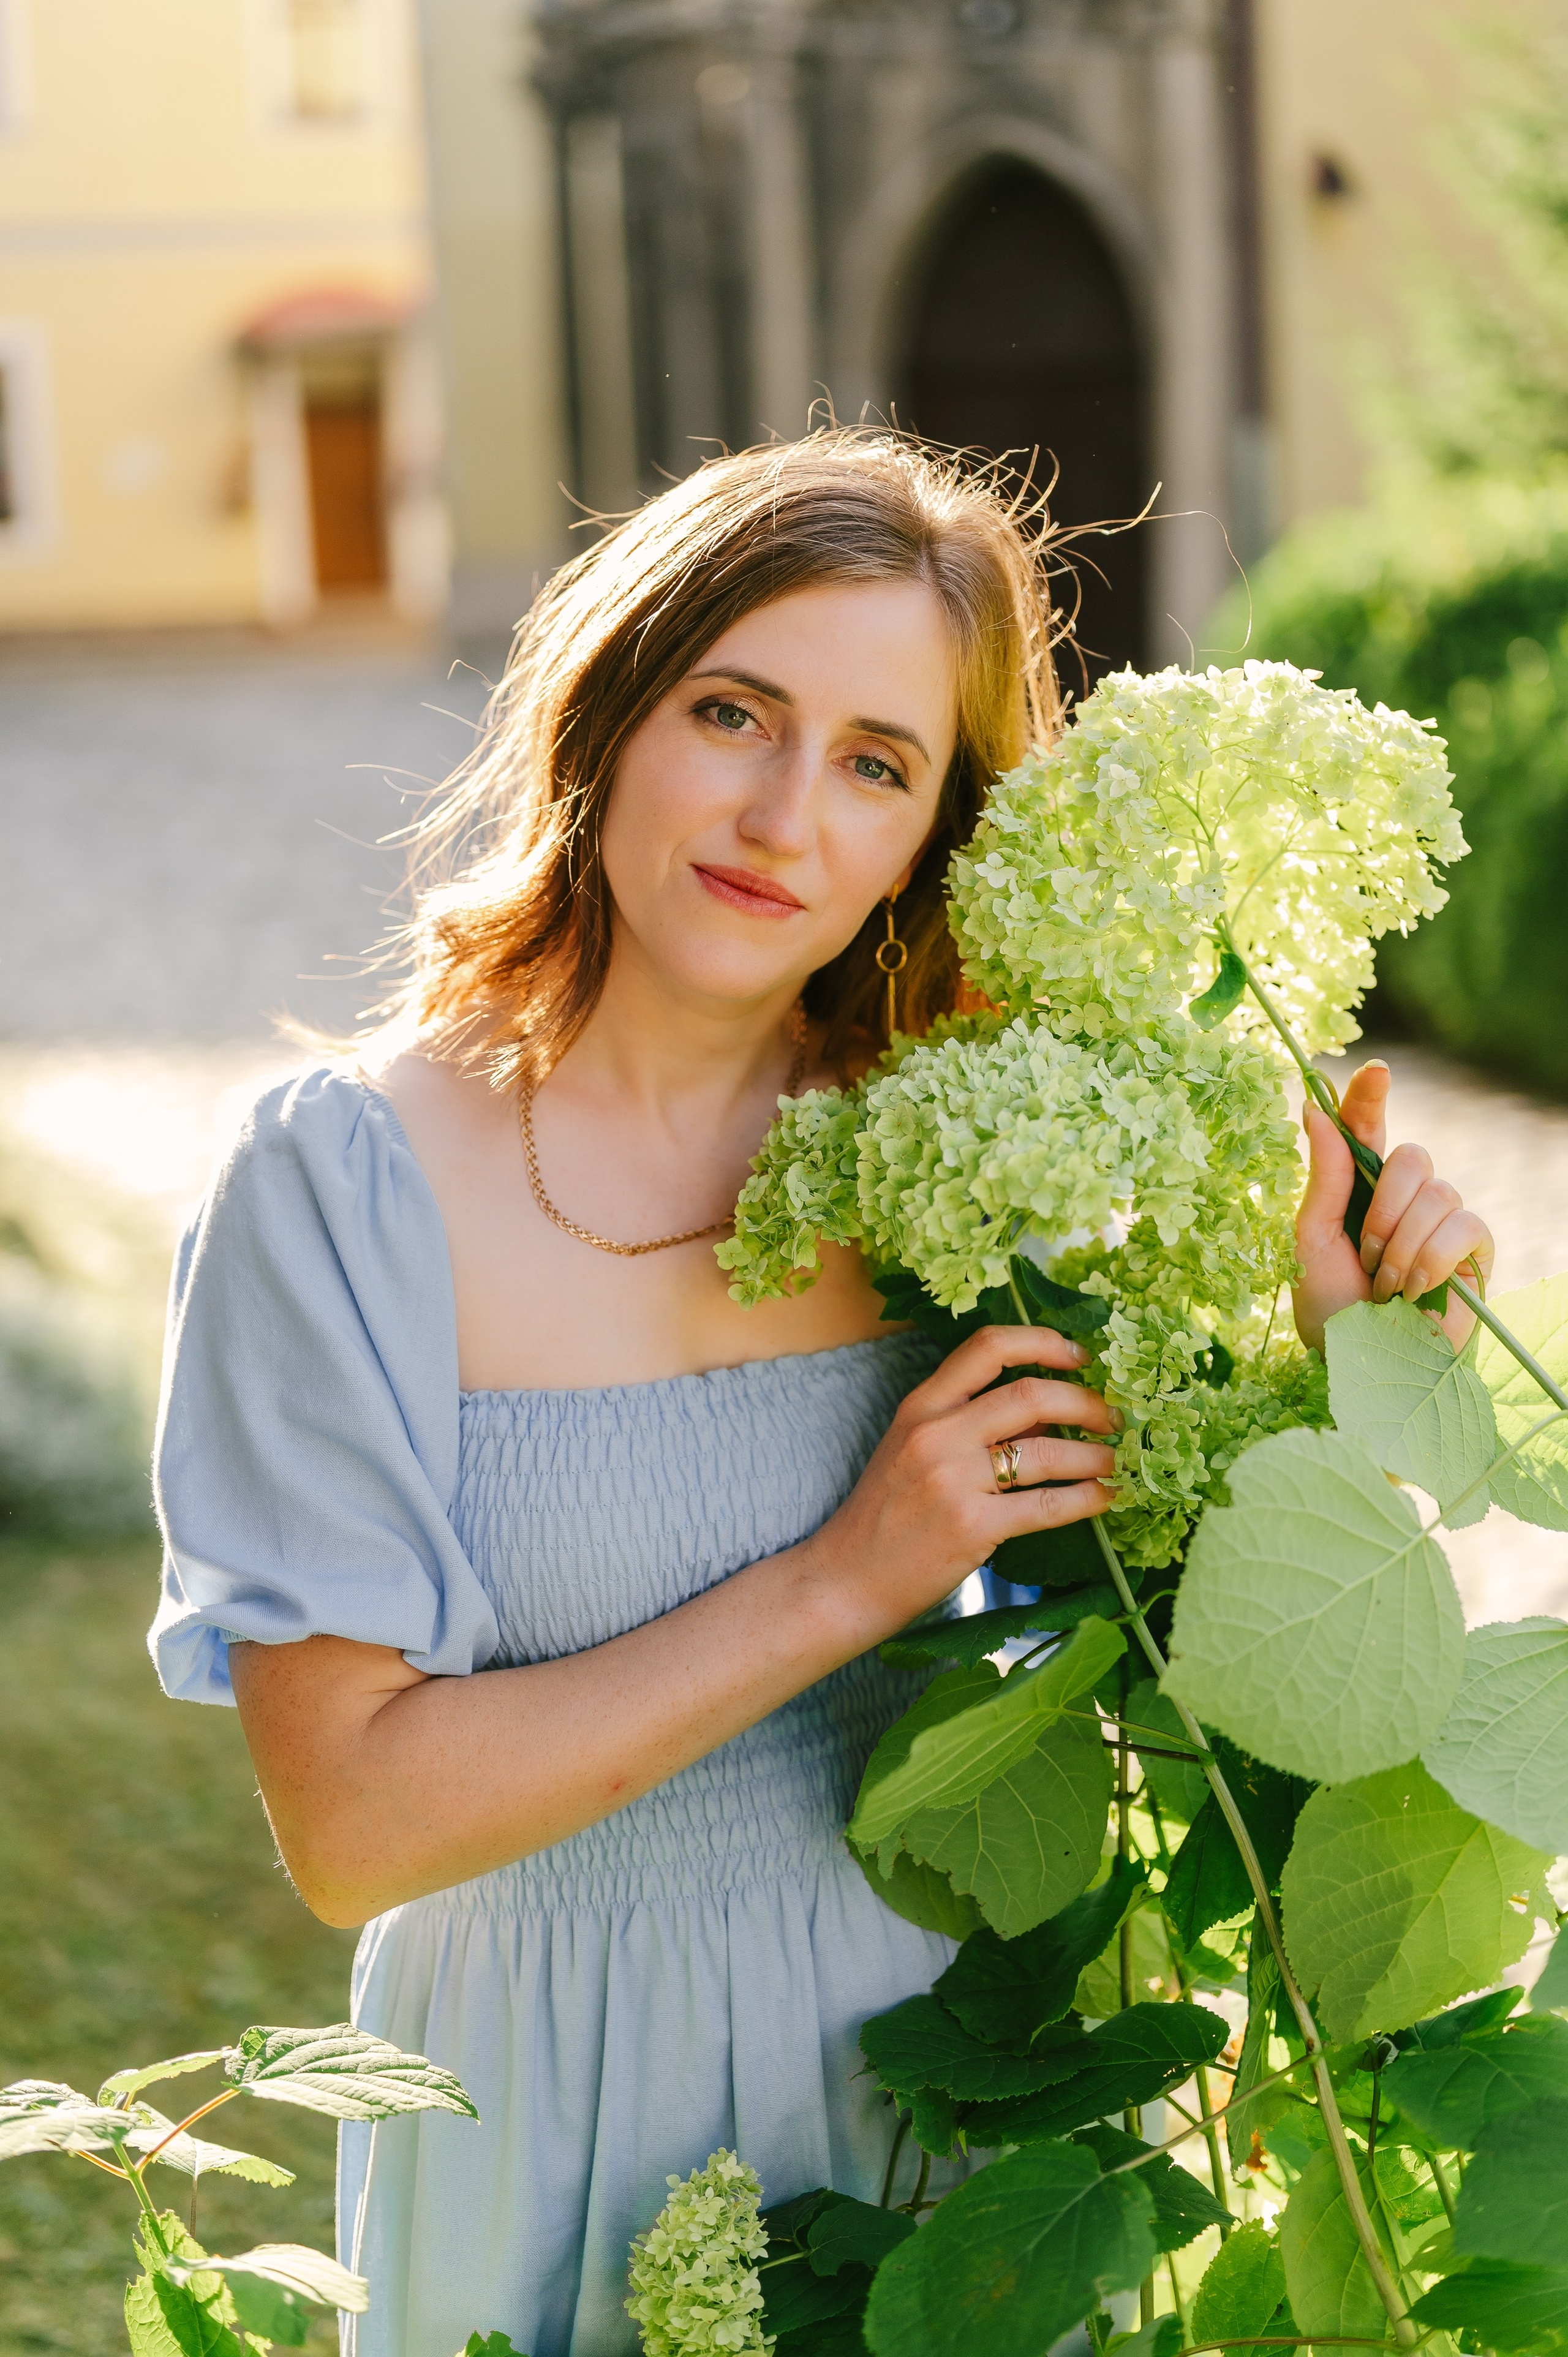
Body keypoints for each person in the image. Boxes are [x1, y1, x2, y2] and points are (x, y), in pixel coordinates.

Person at [149, 432, 1492, 2357]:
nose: (786, 815)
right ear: (610, 709)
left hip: (960, 2103)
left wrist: (1347, 1357)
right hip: (539, 2092)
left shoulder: (982, 1160)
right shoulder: (339, 1182)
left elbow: (1157, 1656)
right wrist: (847, 1578)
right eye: (734, 712)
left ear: (935, 835)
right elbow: (356, 1823)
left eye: (878, 764)